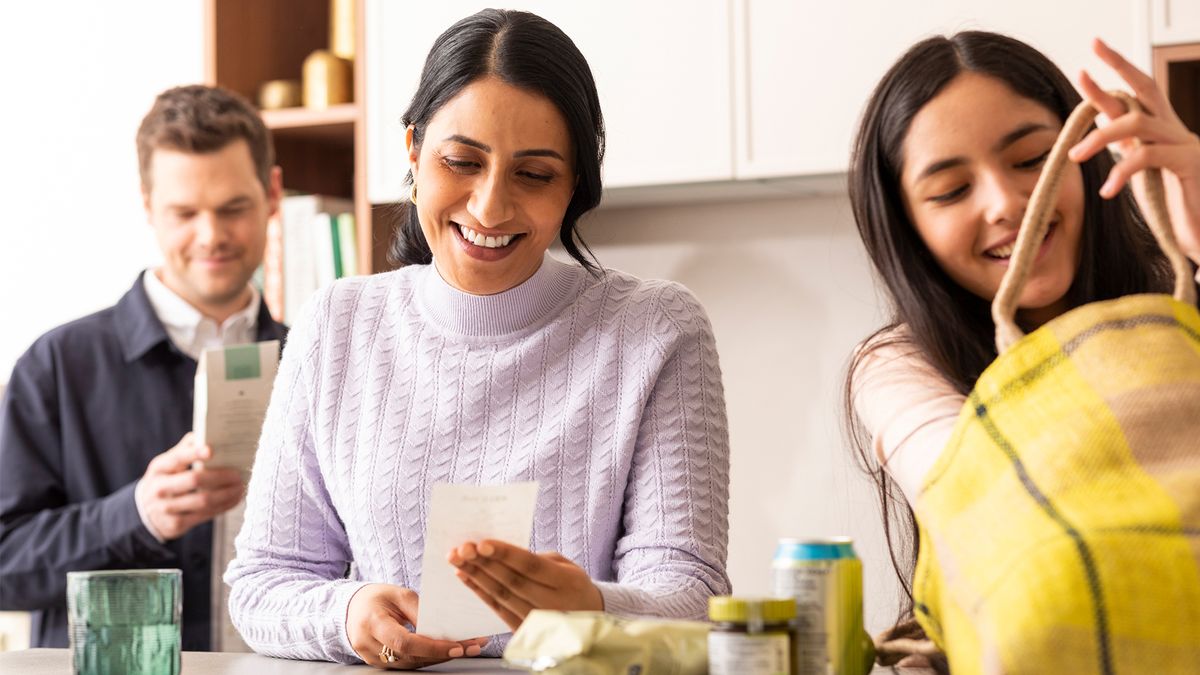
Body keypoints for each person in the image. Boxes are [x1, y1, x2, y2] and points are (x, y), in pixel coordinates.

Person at [224, 8, 731, 669]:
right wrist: (350, 614)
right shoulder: (337, 325)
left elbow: (695, 595)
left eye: (534, 173)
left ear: (575, 182)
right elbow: (264, 581)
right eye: (462, 161)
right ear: (412, 151)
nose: (490, 207)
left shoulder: (655, 330)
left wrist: (594, 610)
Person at [844, 31, 1200, 661]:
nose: (1008, 203)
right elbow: (997, 514)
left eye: (1035, 158)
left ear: (1087, 154)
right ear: (908, 228)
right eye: (952, 191)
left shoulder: (1181, 304)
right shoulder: (899, 369)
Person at [0, 84, 288, 650]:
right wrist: (135, 515)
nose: (212, 236)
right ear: (147, 206)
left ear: (273, 193)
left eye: (233, 208)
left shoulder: (315, 360)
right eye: (184, 213)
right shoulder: (58, 365)